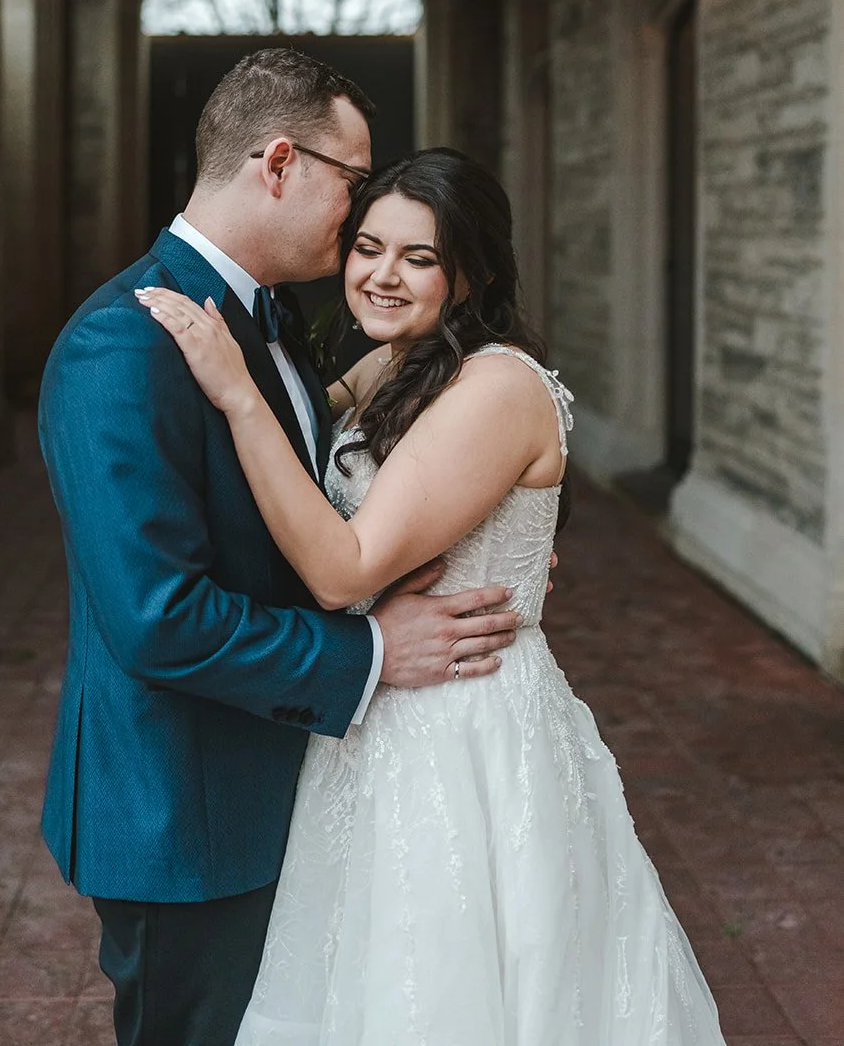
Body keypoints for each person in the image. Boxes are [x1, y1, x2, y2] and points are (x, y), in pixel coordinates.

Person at [138, 147, 728, 1046]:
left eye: (419, 258)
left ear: (472, 272)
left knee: (454, 985)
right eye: (368, 246)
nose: (380, 275)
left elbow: (342, 566)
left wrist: (236, 396)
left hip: (463, 725)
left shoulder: (493, 386)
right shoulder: (399, 366)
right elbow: (306, 465)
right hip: (382, 709)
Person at [37, 51, 528, 1046]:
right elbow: (158, 618)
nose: (356, 221)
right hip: (191, 811)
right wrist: (377, 651)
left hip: (291, 779)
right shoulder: (125, 342)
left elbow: (333, 498)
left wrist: (491, 544)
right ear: (276, 162)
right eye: (351, 183)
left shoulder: (271, 320)